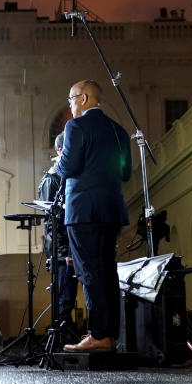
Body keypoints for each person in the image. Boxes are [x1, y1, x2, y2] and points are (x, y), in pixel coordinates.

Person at [56, 80, 132, 353]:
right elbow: (125, 173)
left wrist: (61, 160)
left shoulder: (75, 127)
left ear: (84, 98)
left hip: (83, 211)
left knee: (89, 271)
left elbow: (68, 168)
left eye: (71, 98)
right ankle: (110, 335)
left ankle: (98, 335)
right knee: (108, 271)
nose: (70, 104)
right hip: (112, 210)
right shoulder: (119, 131)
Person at [38, 132, 78, 328]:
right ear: (62, 150)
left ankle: (65, 337)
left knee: (69, 298)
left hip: (69, 249)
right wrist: (64, 253)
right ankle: (60, 341)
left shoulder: (65, 177)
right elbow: (53, 221)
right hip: (62, 252)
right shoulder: (51, 180)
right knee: (65, 299)